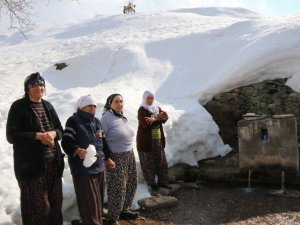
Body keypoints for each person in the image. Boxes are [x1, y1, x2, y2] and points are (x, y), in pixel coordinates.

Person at [6, 72, 65, 225]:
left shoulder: (48, 106)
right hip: (31, 167)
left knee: (55, 204)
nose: (39, 87)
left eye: (41, 85)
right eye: (34, 85)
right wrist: (37, 136)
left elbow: (60, 129)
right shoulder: (18, 107)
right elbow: (11, 136)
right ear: (27, 88)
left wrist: (52, 133)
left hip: (53, 164)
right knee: (38, 208)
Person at [61, 95, 115, 225]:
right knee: (89, 202)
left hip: (99, 165)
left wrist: (107, 158)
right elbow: (66, 142)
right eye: (89, 105)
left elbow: (103, 142)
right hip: (83, 168)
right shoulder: (73, 121)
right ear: (82, 107)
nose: (93, 108)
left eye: (95, 106)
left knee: (98, 201)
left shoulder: (96, 122)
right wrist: (77, 150)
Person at [101, 94, 138, 225]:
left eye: (121, 101)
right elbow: (101, 138)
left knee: (132, 182)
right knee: (117, 187)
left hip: (129, 154)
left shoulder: (122, 117)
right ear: (109, 103)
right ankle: (112, 217)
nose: (120, 104)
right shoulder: (106, 118)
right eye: (116, 101)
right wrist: (107, 156)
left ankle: (124, 209)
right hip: (115, 156)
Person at [136, 90, 171, 191]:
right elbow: (147, 124)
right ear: (144, 98)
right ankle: (152, 184)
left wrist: (155, 118)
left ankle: (163, 182)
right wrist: (158, 118)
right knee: (148, 162)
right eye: (148, 98)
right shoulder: (141, 110)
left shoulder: (157, 108)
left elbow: (166, 117)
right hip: (146, 142)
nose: (150, 100)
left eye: (152, 98)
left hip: (158, 140)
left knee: (161, 161)